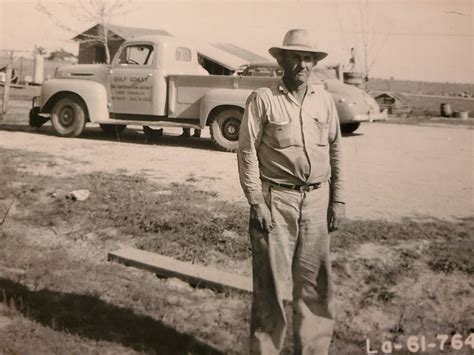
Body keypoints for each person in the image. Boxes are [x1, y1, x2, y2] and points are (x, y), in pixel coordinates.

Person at [237, 29, 346, 354]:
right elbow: (246, 152)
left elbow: (336, 150)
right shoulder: (263, 99)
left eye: (308, 58)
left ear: (315, 64)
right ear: (282, 61)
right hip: (276, 202)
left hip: (316, 201)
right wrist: (256, 200)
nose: (302, 64)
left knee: (315, 286)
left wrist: (337, 199)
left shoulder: (324, 101)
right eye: (295, 57)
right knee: (271, 287)